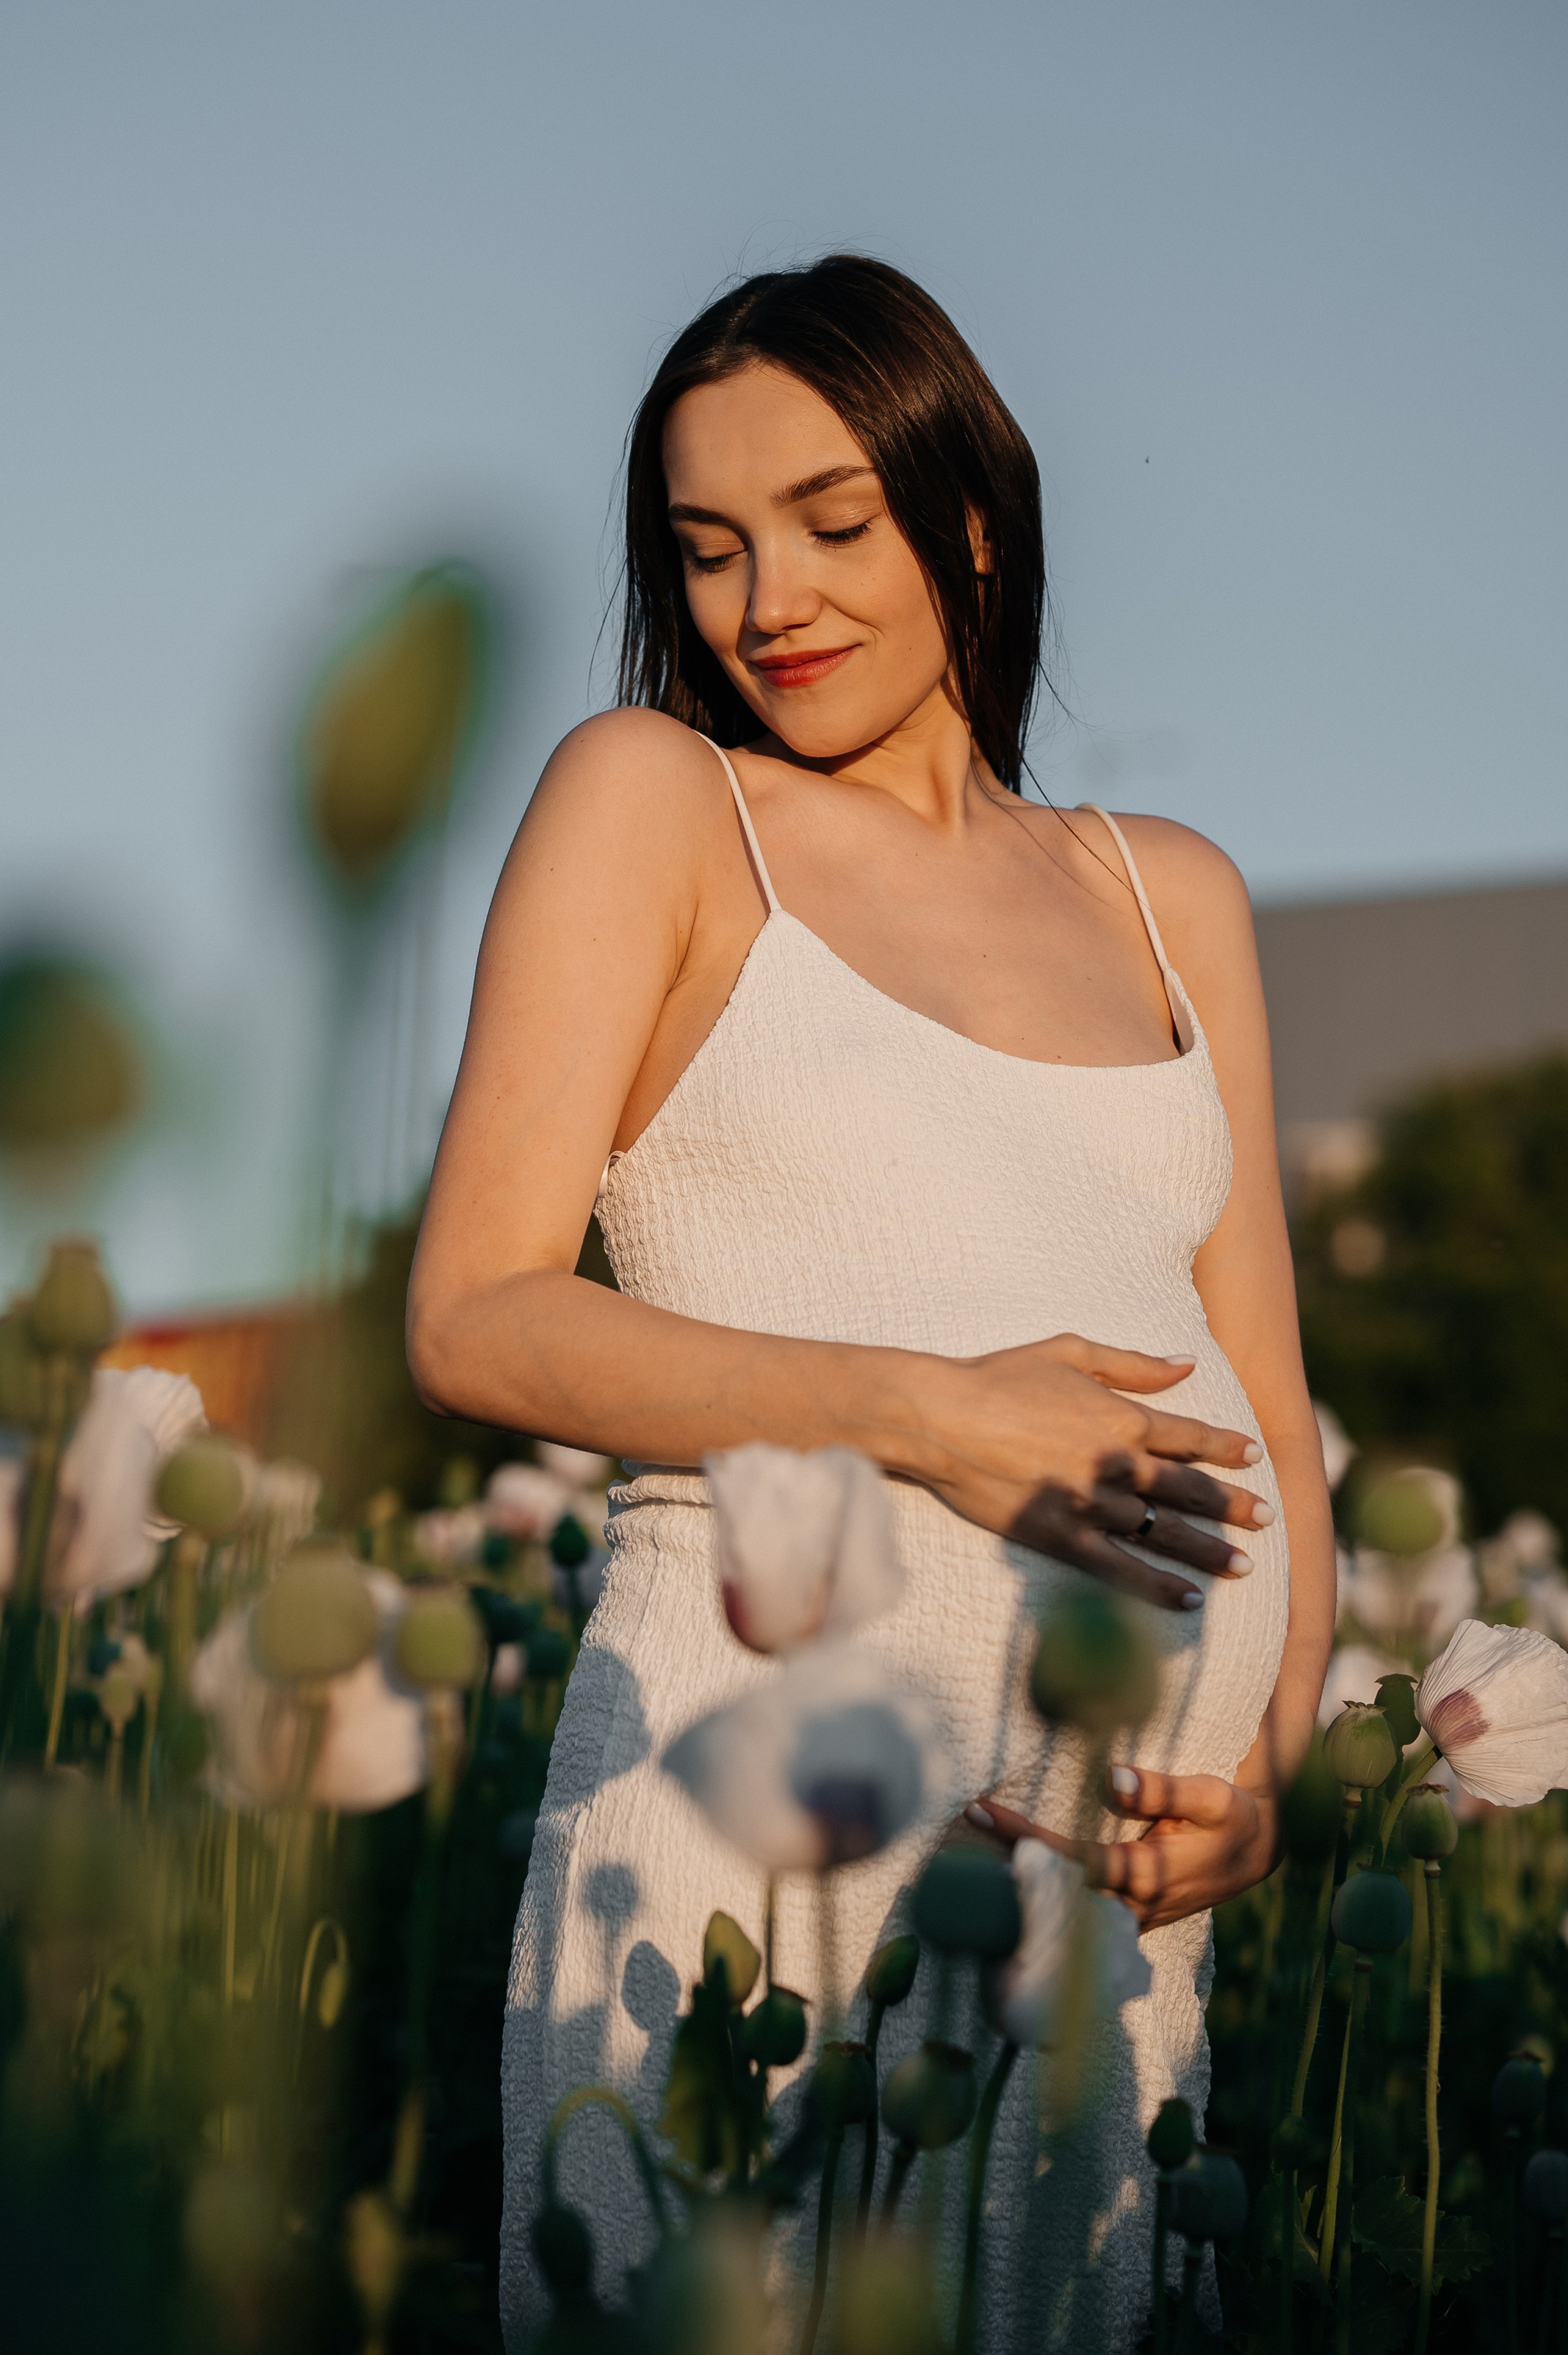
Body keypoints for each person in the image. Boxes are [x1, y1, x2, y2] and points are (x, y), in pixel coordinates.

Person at [407, 254, 1335, 2349]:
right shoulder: (657, 804)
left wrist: (1266, 1785)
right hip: (743, 1844)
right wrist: (928, 1411)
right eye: (708, 547)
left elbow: (1270, 1396)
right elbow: (473, 1312)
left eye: (834, 522)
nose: (768, 602)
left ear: (971, 523)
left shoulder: (1167, 893)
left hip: (1106, 1907)